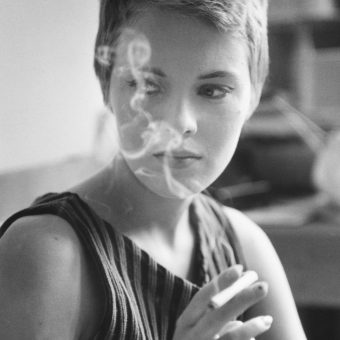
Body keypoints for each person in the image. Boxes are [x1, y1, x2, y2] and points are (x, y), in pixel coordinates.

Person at [0, 1, 307, 339]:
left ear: (254, 95)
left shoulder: (244, 244)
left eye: (213, 90)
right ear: (106, 83)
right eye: (148, 85)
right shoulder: (46, 253)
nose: (180, 122)